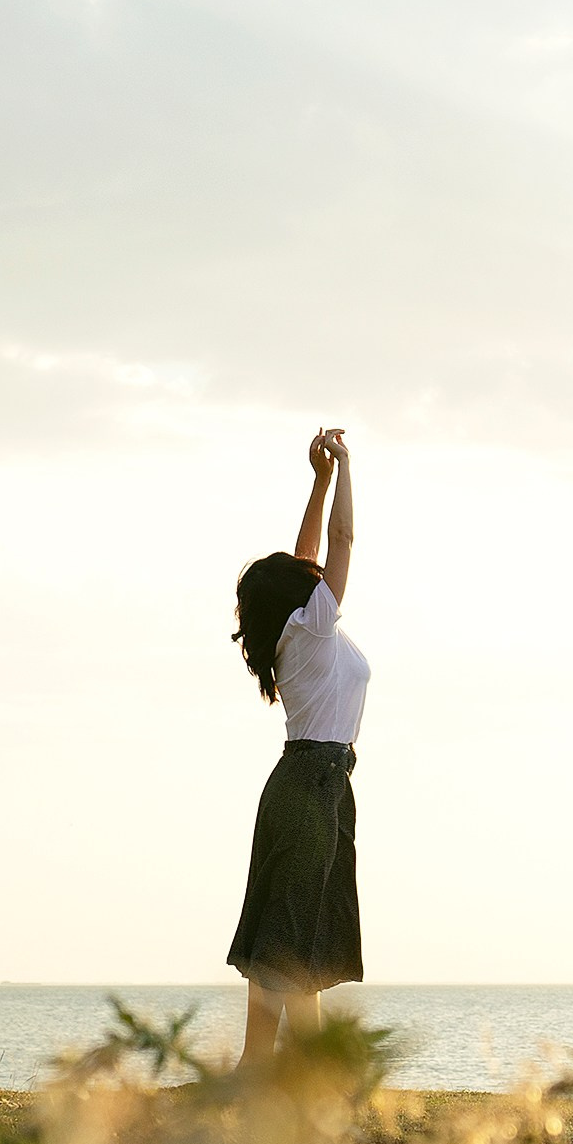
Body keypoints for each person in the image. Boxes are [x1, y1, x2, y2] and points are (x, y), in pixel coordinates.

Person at [225, 427, 368, 1062]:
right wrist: (346, 467)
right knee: (292, 936)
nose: (309, 570)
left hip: (316, 782)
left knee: (288, 932)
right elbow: (340, 540)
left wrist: (319, 480)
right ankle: (294, 1071)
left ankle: (267, 1067)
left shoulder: (299, 626)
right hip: (311, 783)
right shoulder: (312, 625)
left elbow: (308, 554)